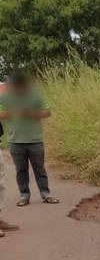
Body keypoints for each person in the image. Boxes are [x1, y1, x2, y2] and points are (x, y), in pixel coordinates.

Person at [0, 71, 58, 207]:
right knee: (21, 170)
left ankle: (46, 193)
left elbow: (47, 112)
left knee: (39, 169)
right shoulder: (6, 97)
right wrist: (18, 112)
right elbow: (1, 114)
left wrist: (30, 113)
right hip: (15, 140)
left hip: (35, 139)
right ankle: (24, 195)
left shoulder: (35, 95)